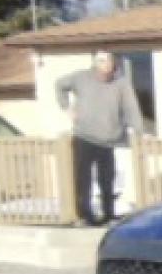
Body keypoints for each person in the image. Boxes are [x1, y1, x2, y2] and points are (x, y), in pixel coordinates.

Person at [55, 51, 144, 225]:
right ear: (95, 63)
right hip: (84, 136)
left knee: (107, 178)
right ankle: (85, 215)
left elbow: (131, 107)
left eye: (108, 61)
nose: (105, 65)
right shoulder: (80, 78)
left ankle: (108, 214)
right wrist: (66, 108)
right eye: (101, 61)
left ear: (113, 63)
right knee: (83, 179)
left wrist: (138, 130)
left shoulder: (121, 83)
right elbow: (59, 85)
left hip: (110, 138)